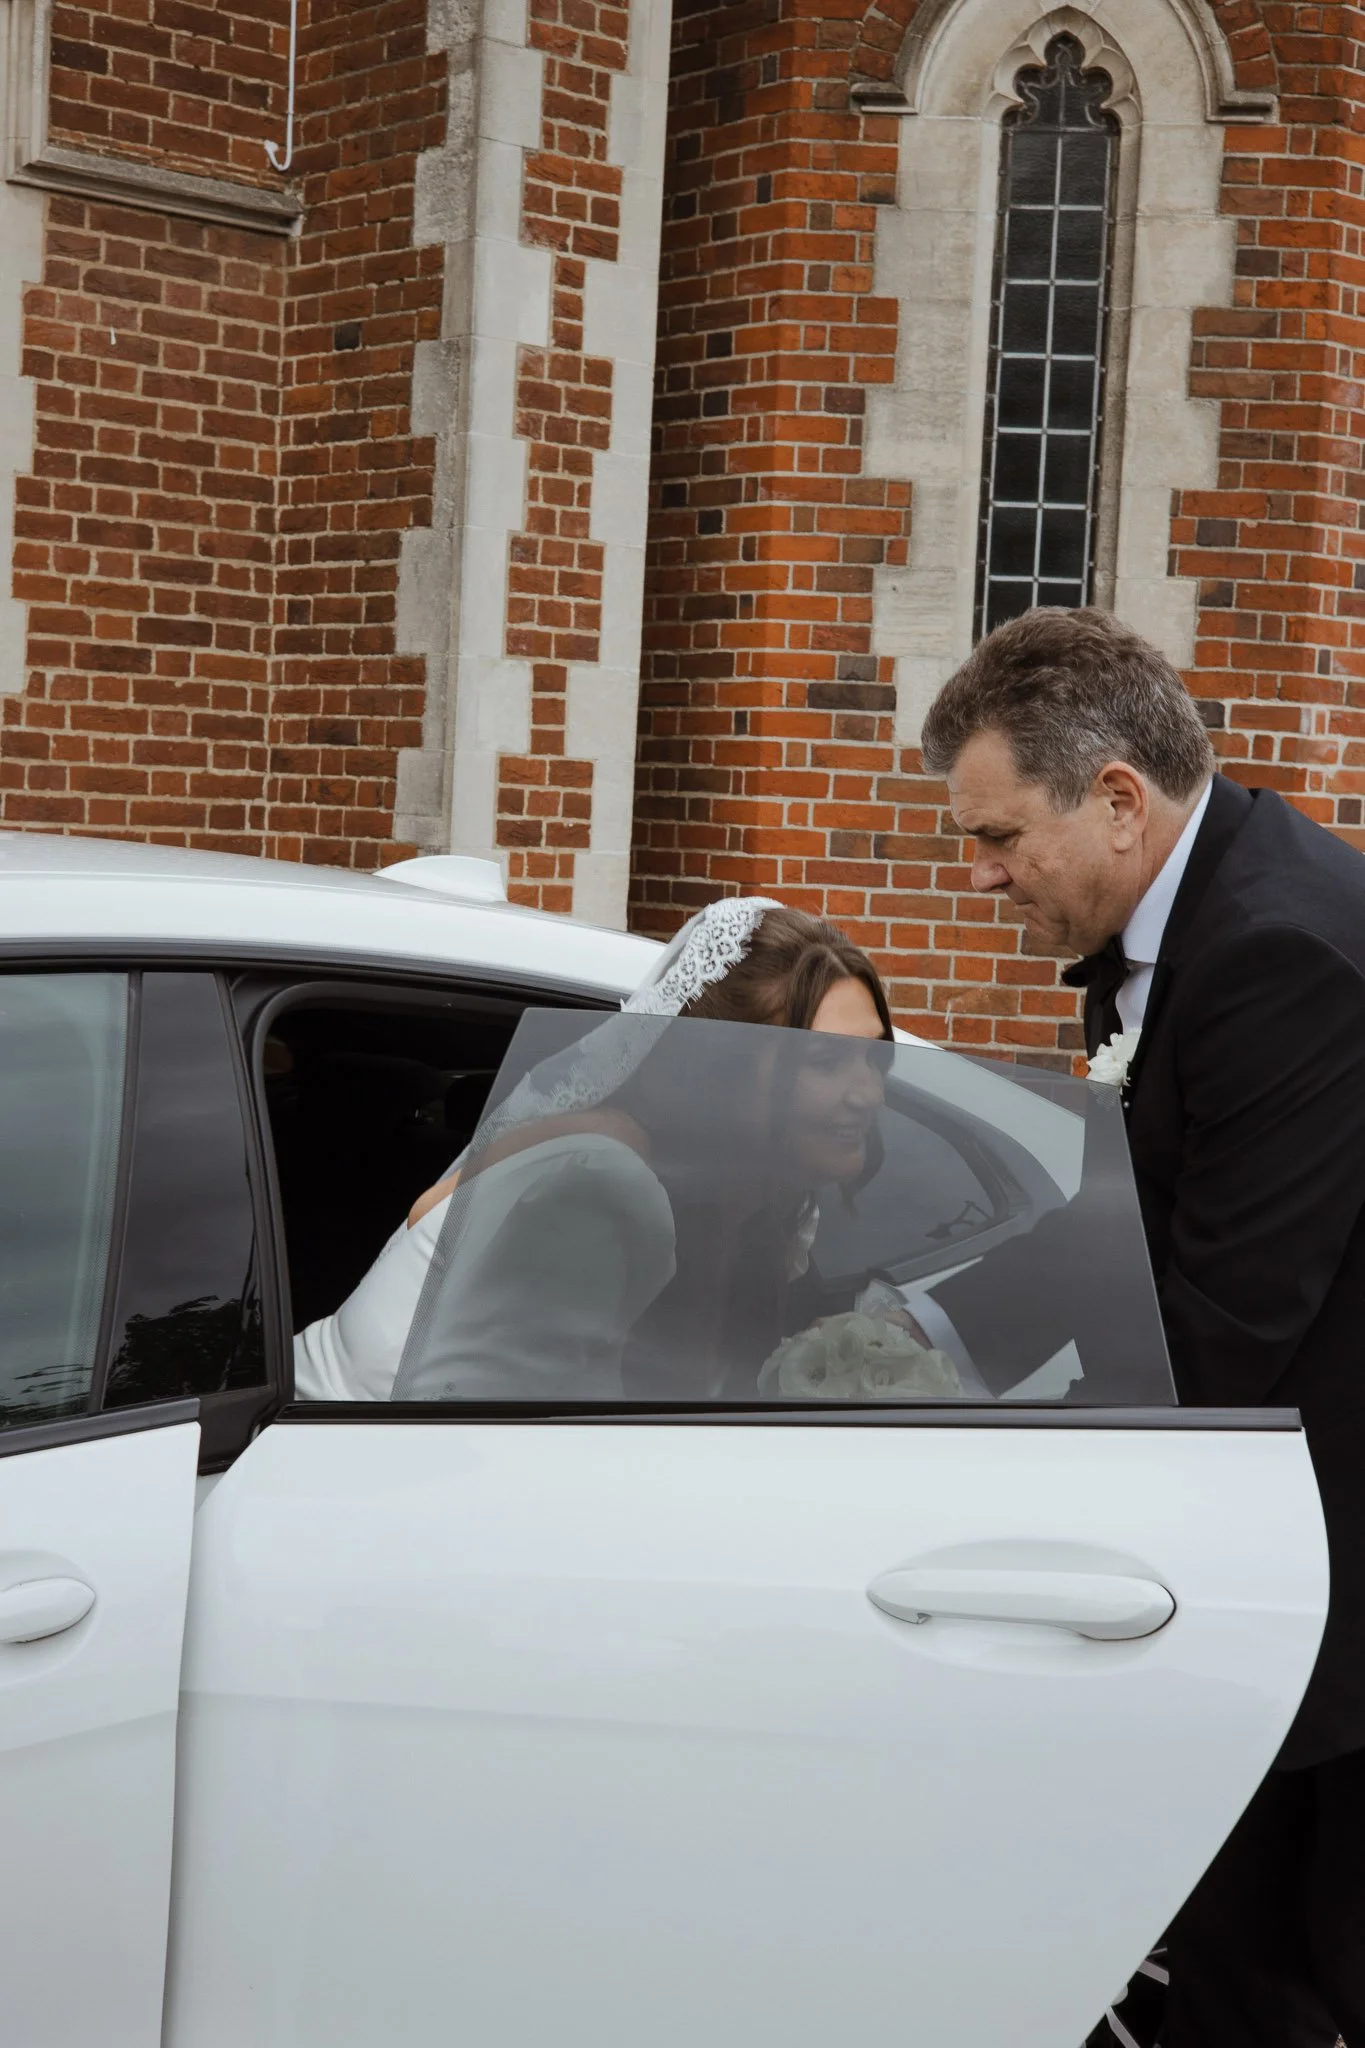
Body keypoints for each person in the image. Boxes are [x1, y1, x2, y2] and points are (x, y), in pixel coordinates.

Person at [917, 605, 1365, 2048]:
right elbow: (1118, 1216)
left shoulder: (1279, 950)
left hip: (1332, 1582)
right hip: (1278, 1552)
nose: (979, 876)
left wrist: (975, 1455)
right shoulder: (1190, 915)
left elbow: (1221, 1322)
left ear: (1117, 798)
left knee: (1280, 1982)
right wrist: (910, 1325)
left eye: (996, 838)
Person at [294, 900, 897, 1403]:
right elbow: (472, 1437)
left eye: (874, 1057)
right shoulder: (595, 1184)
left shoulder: (769, 1211)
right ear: (720, 1073)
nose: (868, 1093)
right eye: (825, 1063)